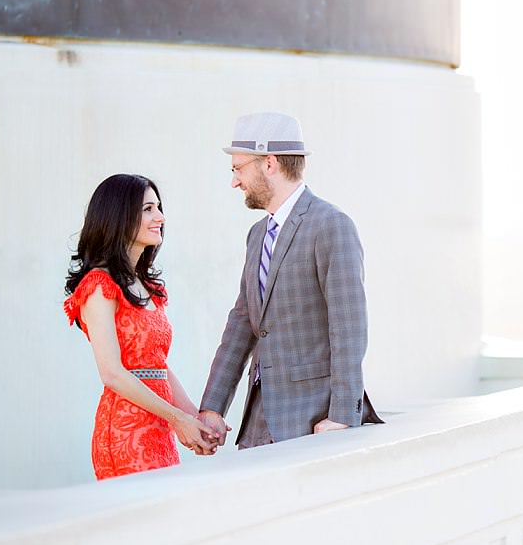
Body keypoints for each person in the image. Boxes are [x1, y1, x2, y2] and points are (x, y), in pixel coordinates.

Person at [199, 112, 382, 449]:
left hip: (313, 420)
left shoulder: (331, 225)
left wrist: (343, 415)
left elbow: (349, 326)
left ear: (269, 164)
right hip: (258, 420)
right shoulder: (257, 235)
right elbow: (242, 323)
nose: (234, 181)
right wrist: (212, 405)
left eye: (238, 169)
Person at [64, 174, 218, 480]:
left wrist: (195, 418)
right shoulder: (99, 285)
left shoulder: (146, 286)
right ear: (120, 216)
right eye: (148, 209)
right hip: (126, 431)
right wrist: (177, 419)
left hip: (160, 428)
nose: (160, 217)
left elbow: (158, 366)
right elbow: (112, 373)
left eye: (158, 208)